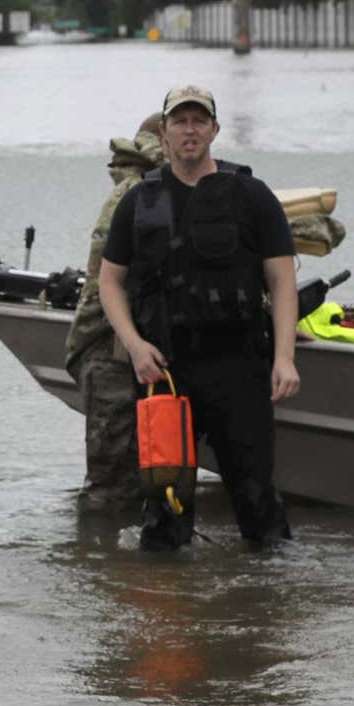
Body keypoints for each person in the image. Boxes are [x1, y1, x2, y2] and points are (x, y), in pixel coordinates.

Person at [97, 85, 299, 551]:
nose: (190, 130)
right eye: (179, 122)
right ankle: (168, 611)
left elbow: (282, 281)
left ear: (214, 130)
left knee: (259, 504)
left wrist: (284, 358)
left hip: (240, 367)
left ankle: (269, 608)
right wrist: (133, 345)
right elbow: (110, 282)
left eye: (199, 121)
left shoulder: (252, 196)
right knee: (165, 508)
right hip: (165, 371)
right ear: (164, 134)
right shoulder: (138, 201)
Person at [64, 113, 165, 512]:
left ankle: (114, 566)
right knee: (111, 487)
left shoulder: (151, 191)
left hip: (135, 353)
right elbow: (103, 283)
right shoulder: (134, 195)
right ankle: (100, 564)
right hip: (112, 355)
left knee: (151, 476)